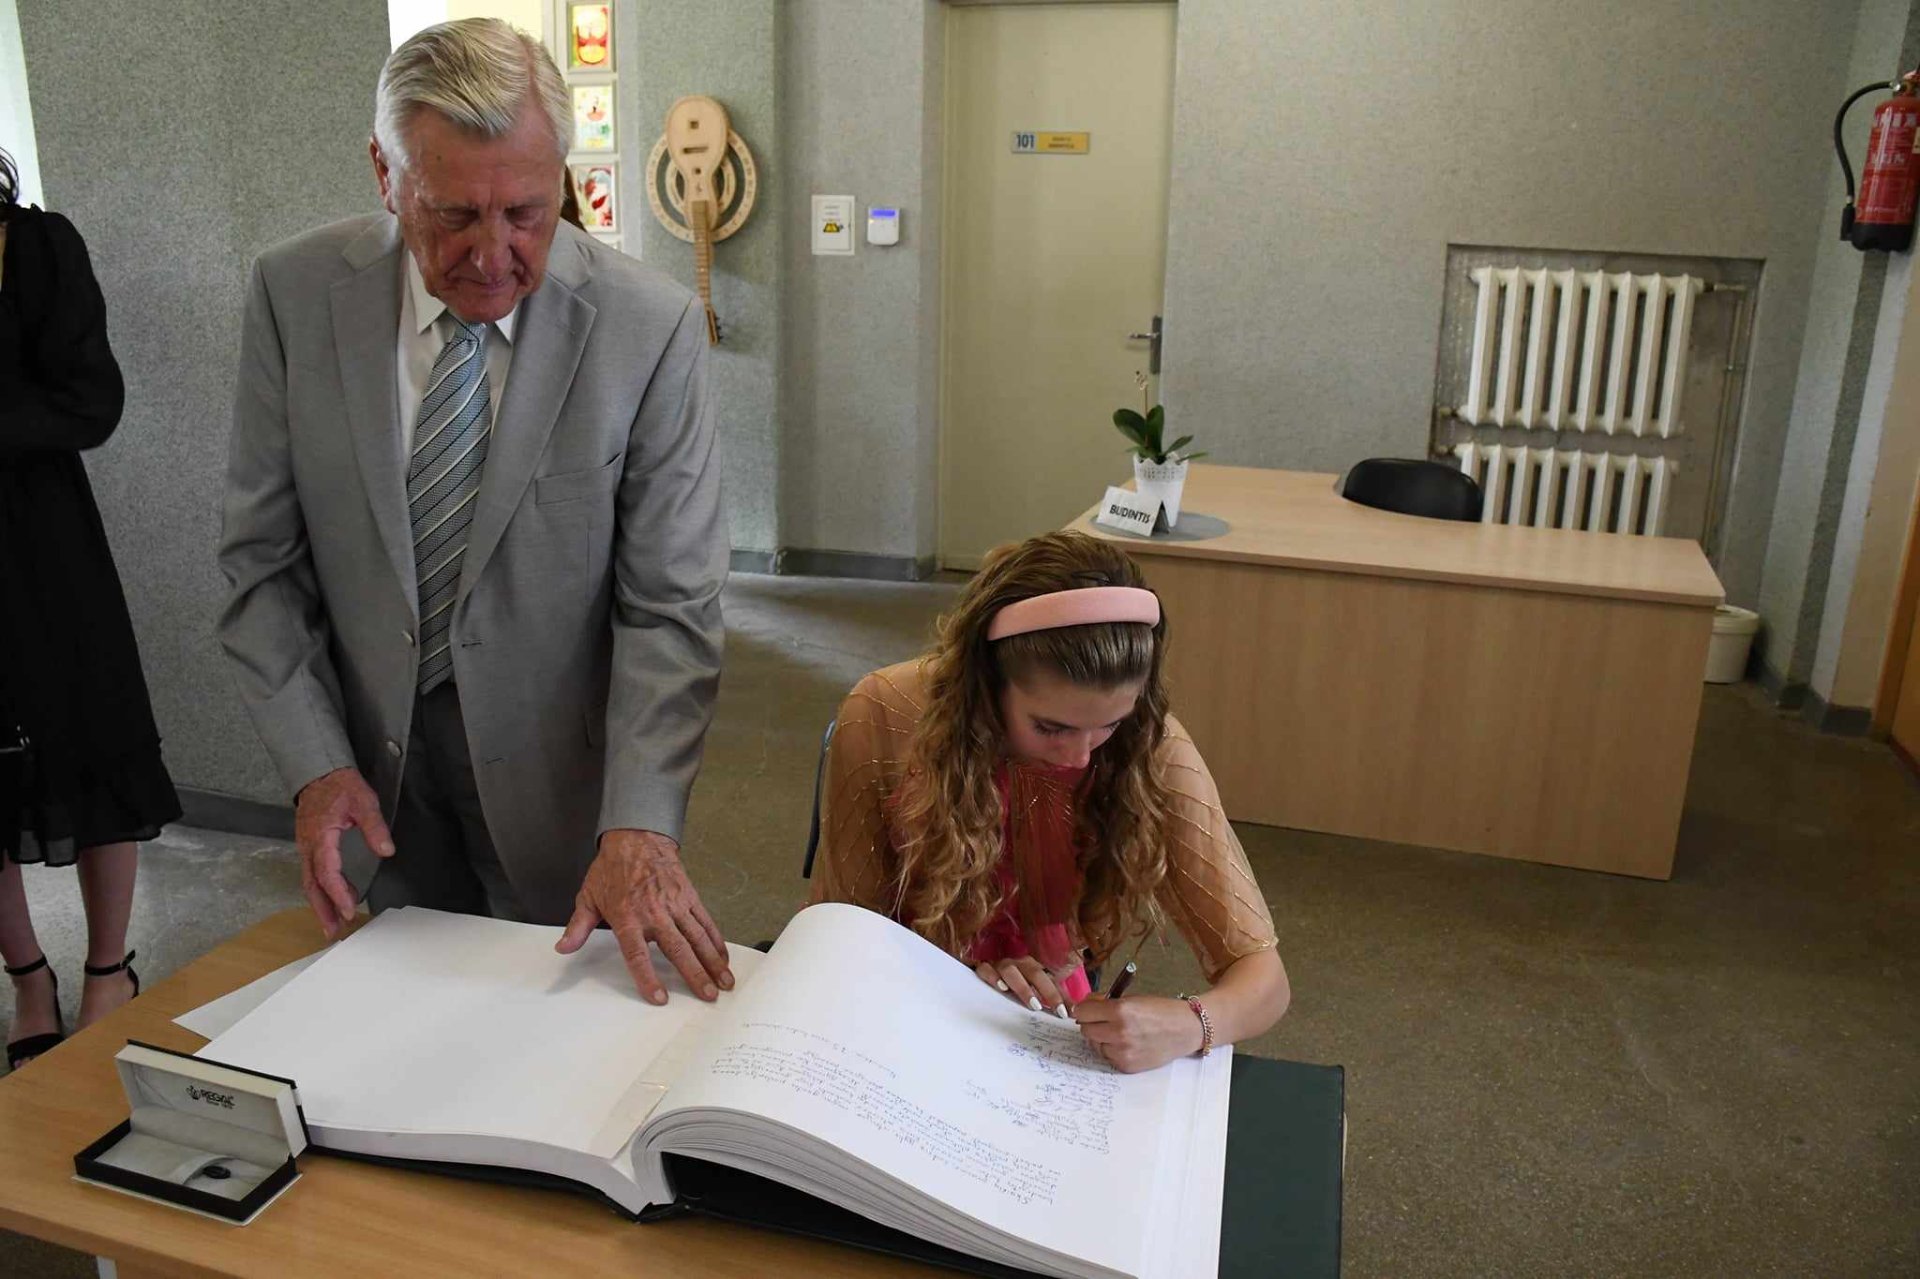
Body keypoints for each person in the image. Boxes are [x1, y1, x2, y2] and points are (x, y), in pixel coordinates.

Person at [216, 19, 732, 1005]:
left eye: (527, 213)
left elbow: (670, 606)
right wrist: (315, 763)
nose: (494, 255)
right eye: (454, 214)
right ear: (385, 174)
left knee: (563, 1040)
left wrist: (641, 818)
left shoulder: (647, 327)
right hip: (373, 773)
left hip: (565, 788)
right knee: (398, 1025)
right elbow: (261, 567)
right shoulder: (294, 294)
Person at [811, 531, 1290, 1073]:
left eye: (1109, 724)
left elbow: (1265, 979)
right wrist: (957, 982)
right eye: (1051, 727)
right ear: (986, 686)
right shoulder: (884, 711)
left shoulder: (1150, 744)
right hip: (900, 996)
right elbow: (838, 934)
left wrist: (1190, 1022)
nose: (1081, 756)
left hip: (1048, 1010)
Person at [0, 147, 182, 1069]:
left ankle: (109, 967)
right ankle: (28, 976)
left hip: (38, 543)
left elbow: (92, 403)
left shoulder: (35, 246)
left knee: (95, 742)